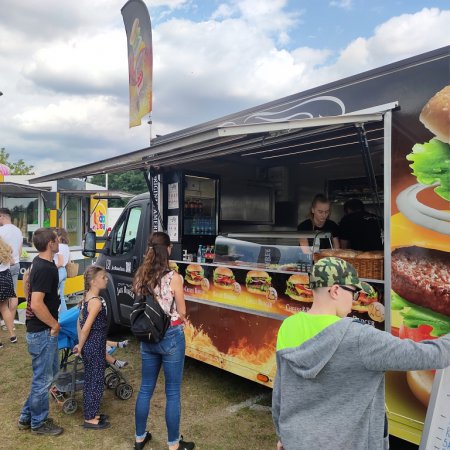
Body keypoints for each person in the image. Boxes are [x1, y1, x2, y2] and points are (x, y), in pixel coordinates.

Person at [272, 257, 450, 450]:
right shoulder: (360, 338)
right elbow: (434, 355)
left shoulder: (288, 326)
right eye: (354, 292)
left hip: (298, 440)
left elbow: (281, 390)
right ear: (335, 290)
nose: (355, 299)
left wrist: (283, 434)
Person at [133, 232, 195, 450]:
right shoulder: (174, 277)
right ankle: (173, 445)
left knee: (146, 388)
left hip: (147, 337)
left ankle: (139, 438)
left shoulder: (141, 275)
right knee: (172, 392)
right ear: (167, 249)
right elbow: (183, 310)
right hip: (171, 337)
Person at [18, 228, 64, 436]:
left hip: (40, 331)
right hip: (42, 331)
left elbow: (29, 286)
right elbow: (36, 304)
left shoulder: (41, 263)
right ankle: (38, 423)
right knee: (43, 379)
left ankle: (27, 417)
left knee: (47, 375)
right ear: (50, 244)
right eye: (56, 239)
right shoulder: (46, 268)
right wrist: (54, 324)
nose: (59, 241)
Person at [73, 265, 111, 430]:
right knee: (95, 381)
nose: (106, 279)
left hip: (91, 345)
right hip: (94, 346)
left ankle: (92, 412)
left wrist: (81, 343)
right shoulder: (95, 302)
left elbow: (79, 322)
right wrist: (80, 346)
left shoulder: (86, 298)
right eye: (103, 277)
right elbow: (86, 326)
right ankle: (90, 418)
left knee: (91, 379)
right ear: (94, 281)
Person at [0, 208, 23, 330]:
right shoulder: (18, 230)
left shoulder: (1, 230)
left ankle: (5, 322)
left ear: (2, 217)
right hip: (16, 264)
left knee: (3, 299)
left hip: (3, 267)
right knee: (13, 294)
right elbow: (19, 249)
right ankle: (11, 324)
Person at [0, 236, 17, 345]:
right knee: (4, 308)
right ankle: (12, 335)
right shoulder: (6, 249)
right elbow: (13, 262)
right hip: (6, 279)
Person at [54, 228, 71, 315]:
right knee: (62, 296)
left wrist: (52, 267)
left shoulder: (59, 246)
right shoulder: (67, 247)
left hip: (58, 271)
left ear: (60, 237)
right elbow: (68, 262)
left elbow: (59, 262)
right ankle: (64, 315)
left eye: (56, 235)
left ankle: (54, 313)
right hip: (64, 271)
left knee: (53, 294)